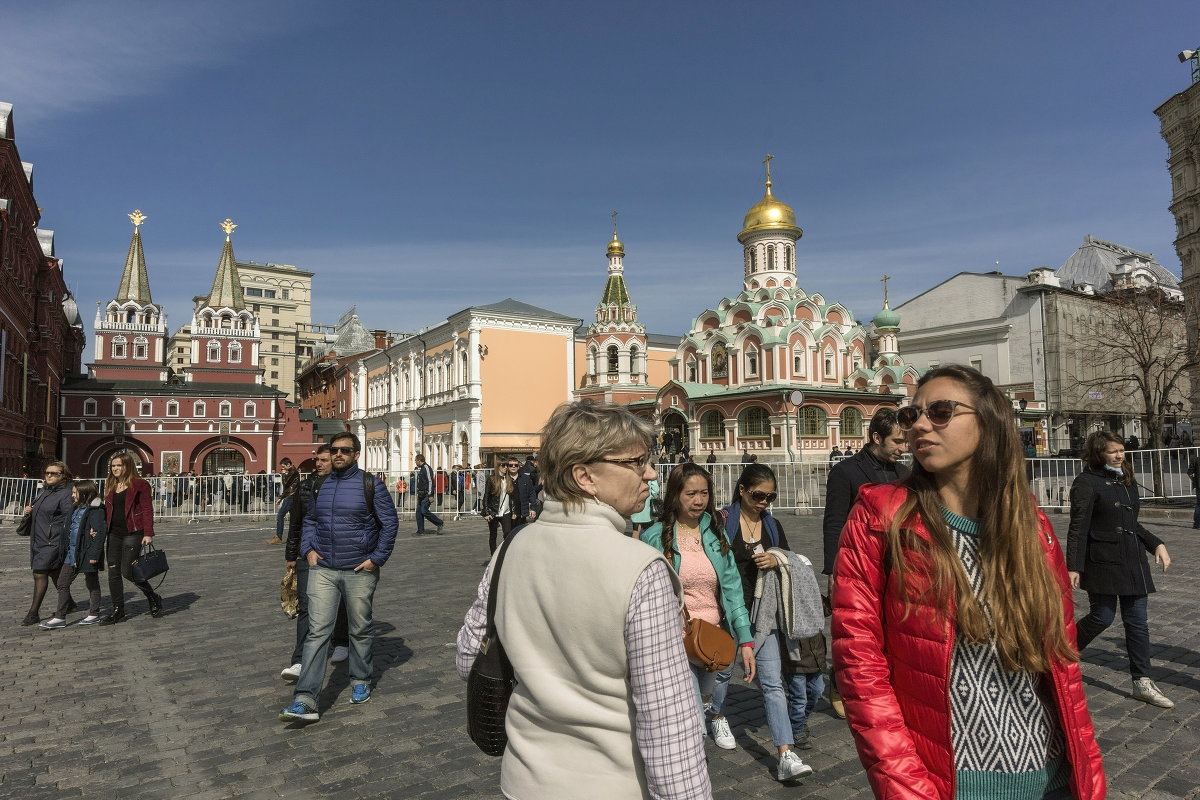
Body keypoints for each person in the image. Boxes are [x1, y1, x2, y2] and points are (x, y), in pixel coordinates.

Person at [832, 365, 1105, 800]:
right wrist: (908, 789)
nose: (919, 424)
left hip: (1052, 777)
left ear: (988, 421)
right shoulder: (881, 517)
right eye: (911, 415)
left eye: (940, 411)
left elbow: (1063, 667)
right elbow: (860, 667)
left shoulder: (1031, 527)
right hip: (953, 783)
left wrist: (1088, 776)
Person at [456, 402, 711, 799]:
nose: (649, 473)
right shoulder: (641, 569)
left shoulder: (511, 549)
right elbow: (668, 720)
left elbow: (467, 656)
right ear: (585, 476)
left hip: (523, 780)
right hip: (610, 783)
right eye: (636, 462)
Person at [280, 432, 398, 723]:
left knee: (359, 628)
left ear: (356, 454)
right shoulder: (321, 485)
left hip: (359, 570)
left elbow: (390, 523)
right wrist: (308, 549)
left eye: (345, 450)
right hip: (324, 569)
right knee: (318, 632)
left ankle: (360, 679)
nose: (338, 455)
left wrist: (376, 559)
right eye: (334, 450)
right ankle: (305, 699)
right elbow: (310, 518)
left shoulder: (372, 485)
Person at [710, 462, 815, 781]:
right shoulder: (721, 521)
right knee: (723, 673)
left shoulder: (772, 525)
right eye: (758, 495)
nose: (764, 503)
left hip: (762, 614)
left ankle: (786, 754)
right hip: (728, 610)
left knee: (772, 682)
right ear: (741, 490)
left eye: (770, 497)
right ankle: (716, 715)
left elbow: (792, 562)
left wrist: (778, 557)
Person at [640, 464, 757, 736]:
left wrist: (746, 639)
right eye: (691, 493)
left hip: (711, 640)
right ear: (675, 495)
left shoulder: (716, 533)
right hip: (675, 641)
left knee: (704, 701)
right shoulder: (654, 537)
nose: (699, 500)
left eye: (704, 493)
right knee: (693, 719)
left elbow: (732, 590)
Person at [1067, 431, 1175, 709]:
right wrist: (1074, 567)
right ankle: (1064, 654)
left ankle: (1143, 681)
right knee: (1102, 617)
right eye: (1112, 451)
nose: (1118, 455)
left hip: (1133, 561)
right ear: (1097, 454)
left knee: (1137, 622)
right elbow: (1078, 527)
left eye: (1121, 451)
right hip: (1102, 560)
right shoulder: (1086, 482)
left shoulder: (1126, 479)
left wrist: (1156, 544)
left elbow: (1133, 523)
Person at [821, 407, 909, 718]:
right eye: (897, 442)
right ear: (876, 437)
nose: (903, 448)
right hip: (856, 564)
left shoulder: (904, 474)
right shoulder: (846, 472)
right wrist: (832, 570)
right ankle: (839, 682)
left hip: (896, 565)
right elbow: (833, 522)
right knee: (855, 631)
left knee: (891, 628)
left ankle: (884, 685)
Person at [279, 445, 350, 681]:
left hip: (337, 554)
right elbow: (296, 523)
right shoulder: (306, 486)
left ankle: (341, 640)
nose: (318, 464)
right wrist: (291, 555)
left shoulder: (346, 486)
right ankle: (299, 660)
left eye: (323, 460)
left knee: (339, 601)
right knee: (307, 608)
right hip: (308, 554)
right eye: (317, 460)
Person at [100, 453, 162, 624]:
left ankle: (152, 596)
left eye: (118, 465)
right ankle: (118, 610)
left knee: (128, 571)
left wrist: (148, 533)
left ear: (127, 466)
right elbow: (107, 510)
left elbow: (147, 508)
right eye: (113, 466)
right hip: (113, 533)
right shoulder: (111, 484)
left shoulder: (140, 484)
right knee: (113, 572)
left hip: (133, 533)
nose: (115, 469)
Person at [41, 480, 108, 628]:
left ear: (84, 493)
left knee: (91, 583)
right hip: (70, 553)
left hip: (86, 553)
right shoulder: (75, 508)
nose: (72, 495)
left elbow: (100, 533)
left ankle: (94, 613)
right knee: (62, 583)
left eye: (74, 492)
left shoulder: (96, 510)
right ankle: (60, 617)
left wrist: (94, 556)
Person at [22, 461, 76, 626]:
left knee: (39, 573)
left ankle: (33, 613)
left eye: (54, 473)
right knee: (54, 572)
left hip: (53, 540)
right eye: (47, 473)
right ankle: (70, 603)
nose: (49, 476)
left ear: (63, 476)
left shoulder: (66, 493)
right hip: (38, 538)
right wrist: (30, 510)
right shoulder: (43, 491)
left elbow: (70, 517)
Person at [482, 457, 521, 554]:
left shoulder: (509, 480)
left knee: (508, 533)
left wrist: (514, 511)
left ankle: (504, 554)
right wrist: (487, 512)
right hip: (494, 511)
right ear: (498, 466)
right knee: (493, 535)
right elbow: (486, 497)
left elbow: (512, 498)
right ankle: (493, 555)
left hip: (506, 511)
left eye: (506, 465)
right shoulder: (491, 479)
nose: (505, 467)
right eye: (503, 465)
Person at [268, 458, 300, 545]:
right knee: (294, 518)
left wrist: (283, 475)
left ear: (289, 464)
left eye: (284, 467)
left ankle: (279, 537)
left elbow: (287, 485)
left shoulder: (292, 472)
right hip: (291, 496)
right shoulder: (292, 472)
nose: (283, 469)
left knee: (281, 515)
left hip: (290, 497)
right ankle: (295, 537)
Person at [412, 454, 444, 536]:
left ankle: (439, 523)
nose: (415, 462)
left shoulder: (426, 468)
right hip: (421, 494)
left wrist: (430, 494)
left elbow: (430, 481)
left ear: (419, 460)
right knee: (418, 512)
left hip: (426, 494)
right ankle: (420, 531)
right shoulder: (422, 468)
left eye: (415, 460)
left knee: (424, 511)